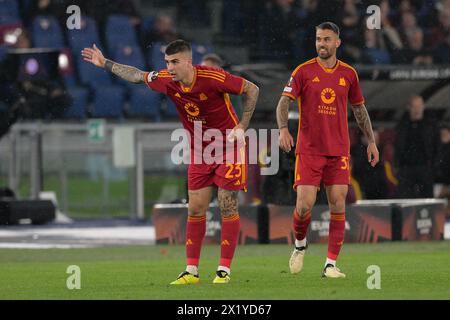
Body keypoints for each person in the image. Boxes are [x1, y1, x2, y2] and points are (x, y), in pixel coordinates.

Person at [81, 40, 259, 284]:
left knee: (227, 204)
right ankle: (191, 271)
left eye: (174, 62)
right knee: (195, 208)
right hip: (200, 151)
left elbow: (252, 89)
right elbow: (137, 75)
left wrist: (242, 126)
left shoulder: (213, 77)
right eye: (167, 62)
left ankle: (224, 269)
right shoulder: (165, 79)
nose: (169, 67)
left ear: (188, 62)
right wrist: (105, 64)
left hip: (229, 146)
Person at [276, 22, 379, 278]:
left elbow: (359, 109)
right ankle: (300, 244)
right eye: (318, 39)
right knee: (304, 206)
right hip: (309, 150)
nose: (321, 44)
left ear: (337, 43)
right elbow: (283, 102)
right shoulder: (303, 71)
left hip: (338, 150)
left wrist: (372, 141)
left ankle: (330, 264)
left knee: (338, 203)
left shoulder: (349, 74)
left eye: (326, 39)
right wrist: (283, 129)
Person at [394, 95, 439, 198]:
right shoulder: (403, 125)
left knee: (426, 198)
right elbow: (398, 146)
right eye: (414, 106)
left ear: (423, 106)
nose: (417, 109)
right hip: (406, 168)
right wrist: (398, 166)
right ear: (409, 107)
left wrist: (434, 167)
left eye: (419, 106)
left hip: (425, 166)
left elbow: (437, 146)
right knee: (405, 198)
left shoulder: (430, 125)